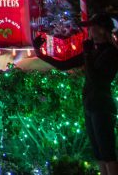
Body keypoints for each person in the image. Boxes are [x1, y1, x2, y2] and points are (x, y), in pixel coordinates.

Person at [33, 13, 118, 174]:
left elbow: (97, 78)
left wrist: (86, 55)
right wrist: (39, 51)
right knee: (99, 153)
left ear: (102, 30)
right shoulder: (93, 50)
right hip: (90, 104)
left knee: (107, 152)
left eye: (92, 27)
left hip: (102, 105)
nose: (90, 31)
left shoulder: (110, 52)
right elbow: (64, 64)